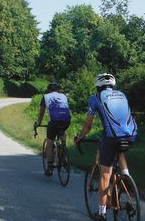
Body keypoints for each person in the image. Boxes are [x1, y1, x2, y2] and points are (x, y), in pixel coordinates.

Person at [74, 73, 137, 221]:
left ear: (98, 86)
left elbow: (88, 125)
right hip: (131, 134)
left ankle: (101, 213)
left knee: (105, 174)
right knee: (118, 149)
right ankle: (126, 176)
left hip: (111, 137)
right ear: (113, 85)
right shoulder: (122, 95)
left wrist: (80, 137)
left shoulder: (95, 98)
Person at [34, 82, 71, 176]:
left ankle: (50, 167)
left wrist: (38, 123)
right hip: (66, 121)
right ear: (58, 90)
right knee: (62, 132)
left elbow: (41, 113)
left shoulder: (46, 96)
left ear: (49, 90)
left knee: (49, 143)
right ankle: (64, 150)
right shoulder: (64, 96)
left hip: (54, 122)